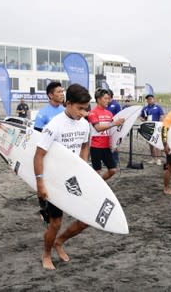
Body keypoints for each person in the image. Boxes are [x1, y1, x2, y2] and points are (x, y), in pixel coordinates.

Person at [33, 84, 91, 270]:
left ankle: (60, 242)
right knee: (55, 223)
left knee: (85, 220)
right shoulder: (54, 125)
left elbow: (84, 146)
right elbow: (38, 155)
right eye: (80, 108)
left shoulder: (84, 124)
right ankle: (47, 254)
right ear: (68, 103)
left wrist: (82, 167)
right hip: (54, 179)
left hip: (73, 178)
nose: (83, 112)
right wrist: (40, 183)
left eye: (86, 108)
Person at [88, 89, 125, 180]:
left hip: (106, 147)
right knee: (97, 172)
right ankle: (96, 187)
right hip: (96, 146)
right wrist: (114, 123)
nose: (108, 100)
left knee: (113, 170)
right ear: (99, 99)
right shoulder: (93, 113)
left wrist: (115, 143)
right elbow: (98, 128)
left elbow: (112, 130)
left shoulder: (109, 113)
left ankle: (100, 184)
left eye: (108, 98)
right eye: (105, 98)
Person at [140, 94, 164, 165]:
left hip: (157, 127)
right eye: (148, 99)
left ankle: (159, 159)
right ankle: (153, 158)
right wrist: (143, 120)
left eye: (151, 99)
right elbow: (141, 117)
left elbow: (162, 116)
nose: (149, 100)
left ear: (154, 99)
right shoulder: (145, 108)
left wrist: (159, 124)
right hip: (148, 127)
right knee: (151, 144)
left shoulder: (158, 107)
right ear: (147, 100)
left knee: (157, 143)